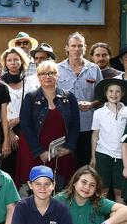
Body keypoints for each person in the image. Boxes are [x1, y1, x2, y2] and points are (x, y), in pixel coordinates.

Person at [16, 60, 79, 190]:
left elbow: (75, 124)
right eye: (43, 73)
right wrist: (39, 151)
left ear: (58, 75)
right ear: (38, 77)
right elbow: (25, 125)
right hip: (34, 152)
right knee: (35, 187)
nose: (47, 76)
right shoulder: (31, 98)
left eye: (51, 73)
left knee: (59, 188)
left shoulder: (69, 97)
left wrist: (69, 147)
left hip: (61, 153)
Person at [57, 32, 103, 168]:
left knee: (85, 163)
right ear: (67, 48)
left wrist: (91, 104)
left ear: (85, 47)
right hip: (65, 125)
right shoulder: (58, 69)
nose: (76, 49)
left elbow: (103, 97)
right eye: (73, 46)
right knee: (65, 165)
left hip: (88, 125)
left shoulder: (94, 69)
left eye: (80, 46)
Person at [0, 47, 39, 180]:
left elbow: (35, 108)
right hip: (4, 128)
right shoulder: (0, 83)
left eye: (16, 59)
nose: (13, 62)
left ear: (22, 61)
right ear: (5, 63)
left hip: (25, 128)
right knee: (7, 166)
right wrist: (9, 131)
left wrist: (18, 119)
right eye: (9, 60)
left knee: (24, 165)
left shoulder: (31, 82)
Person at [91, 77, 127, 204]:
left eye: (118, 91)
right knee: (102, 190)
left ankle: (120, 222)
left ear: (122, 94)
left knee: (119, 192)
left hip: (122, 157)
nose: (114, 94)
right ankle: (101, 221)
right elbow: (95, 135)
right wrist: (93, 156)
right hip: (103, 154)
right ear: (105, 94)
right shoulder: (99, 113)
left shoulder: (126, 112)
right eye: (110, 91)